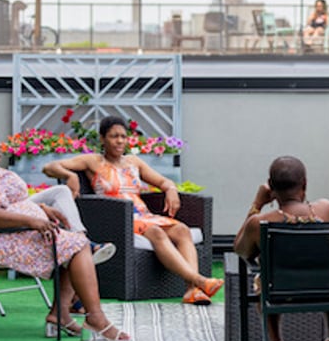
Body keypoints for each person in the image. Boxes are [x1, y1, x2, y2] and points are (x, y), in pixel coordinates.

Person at [0, 118, 128, 341]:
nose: (0, 144)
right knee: (78, 246)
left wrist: (40, 209)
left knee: (71, 243)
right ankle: (95, 318)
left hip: (5, 234)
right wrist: (32, 221)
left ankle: (59, 315)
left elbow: (3, 204)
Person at [42, 116, 223, 306]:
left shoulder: (133, 162)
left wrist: (170, 189)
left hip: (143, 215)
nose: (120, 141)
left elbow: (162, 181)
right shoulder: (93, 161)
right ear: (103, 139)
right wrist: (69, 175)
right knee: (155, 232)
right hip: (119, 217)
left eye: (123, 136)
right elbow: (50, 167)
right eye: (114, 136)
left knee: (182, 230)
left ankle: (191, 290)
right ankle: (199, 281)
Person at [0, 105, 115, 265]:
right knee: (65, 242)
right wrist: (31, 214)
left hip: (12, 206)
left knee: (60, 191)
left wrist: (39, 207)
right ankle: (84, 248)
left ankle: (82, 241)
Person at [234, 156, 329, 341]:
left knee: (263, 280)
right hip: (326, 289)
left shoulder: (260, 223)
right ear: (304, 183)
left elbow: (240, 249)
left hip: (279, 292)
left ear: (270, 188)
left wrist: (257, 205)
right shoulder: (325, 210)